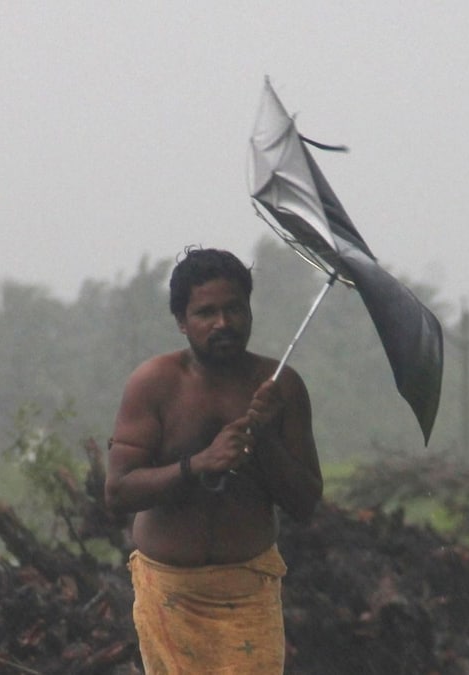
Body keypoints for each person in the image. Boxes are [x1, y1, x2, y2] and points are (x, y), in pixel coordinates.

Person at [105, 246, 323, 674]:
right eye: (206, 313)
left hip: (249, 591)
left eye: (234, 309)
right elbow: (118, 491)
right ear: (182, 322)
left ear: (249, 312)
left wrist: (265, 437)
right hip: (169, 591)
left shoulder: (281, 388)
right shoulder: (155, 384)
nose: (223, 323)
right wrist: (198, 464)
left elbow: (305, 502)